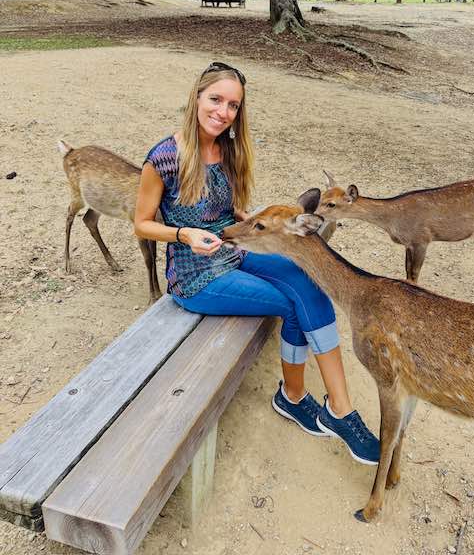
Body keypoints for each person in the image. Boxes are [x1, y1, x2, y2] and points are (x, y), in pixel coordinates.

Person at [134, 62, 379, 465]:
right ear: (196, 97)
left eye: (232, 105)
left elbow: (228, 210)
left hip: (233, 249)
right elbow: (141, 224)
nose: (222, 112)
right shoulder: (163, 158)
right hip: (194, 275)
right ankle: (294, 397)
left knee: (309, 282)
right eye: (215, 100)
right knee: (291, 303)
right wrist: (184, 234)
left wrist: (257, 224)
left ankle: (340, 409)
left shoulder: (228, 150)